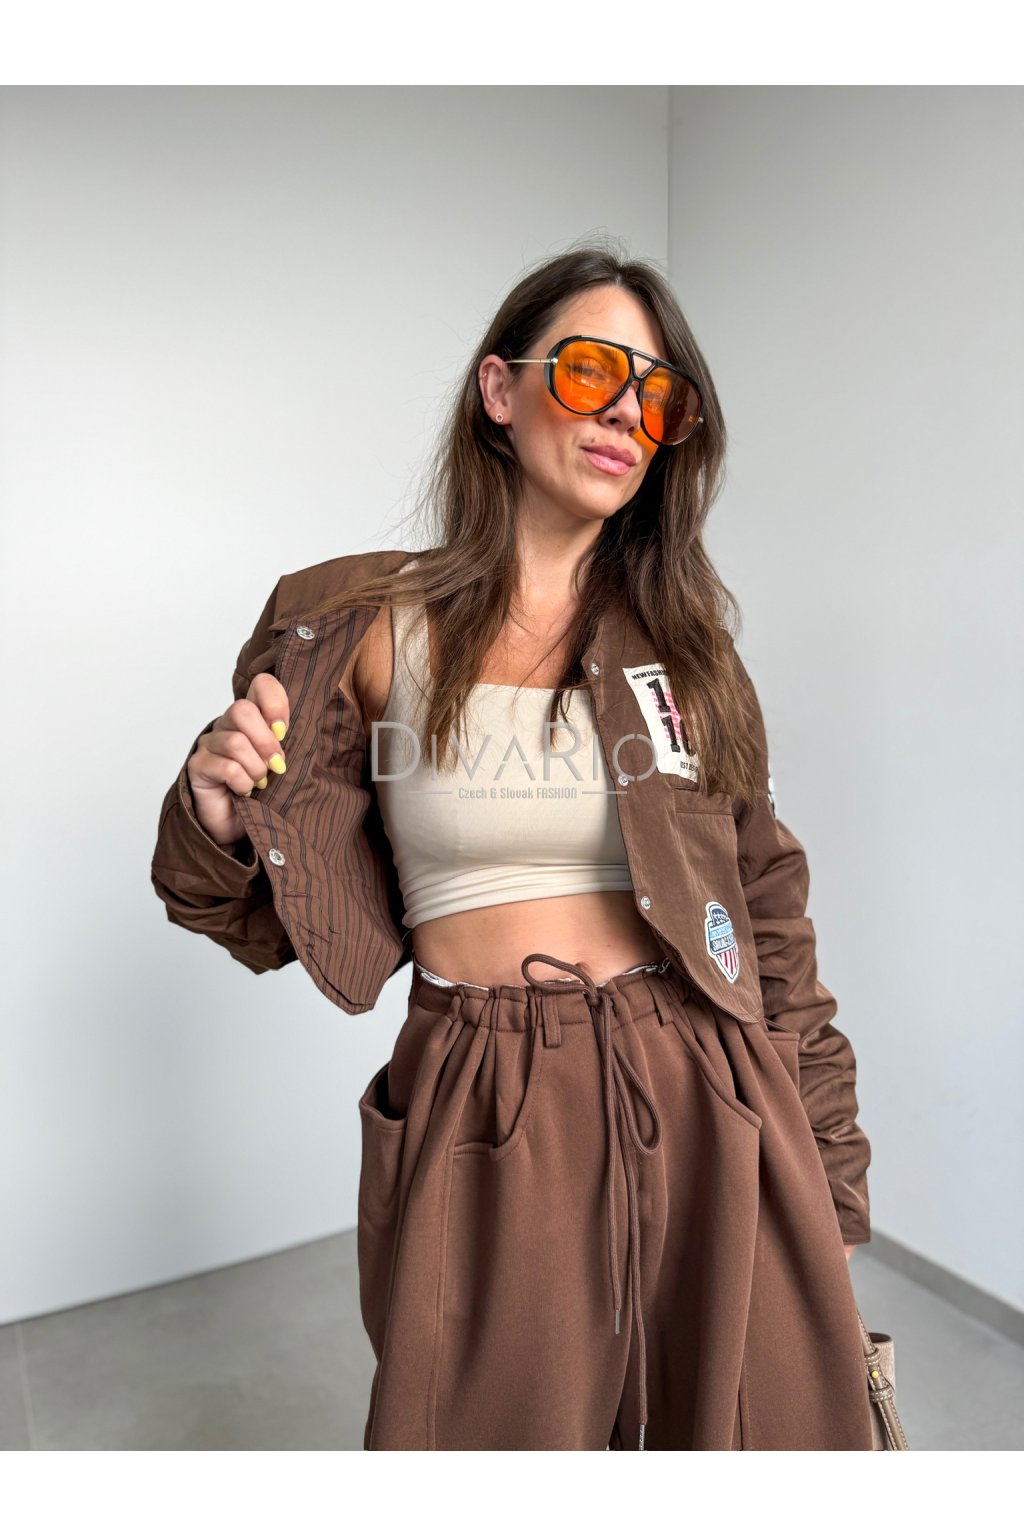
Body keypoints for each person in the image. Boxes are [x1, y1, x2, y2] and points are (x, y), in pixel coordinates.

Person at [151, 240, 874, 1451]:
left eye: (660, 396)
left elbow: (766, 918)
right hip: (486, 1089)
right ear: (499, 389)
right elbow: (257, 914)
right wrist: (214, 823)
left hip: (706, 1079)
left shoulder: (685, 652)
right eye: (592, 371)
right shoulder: (356, 627)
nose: (628, 414)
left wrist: (831, 1173)